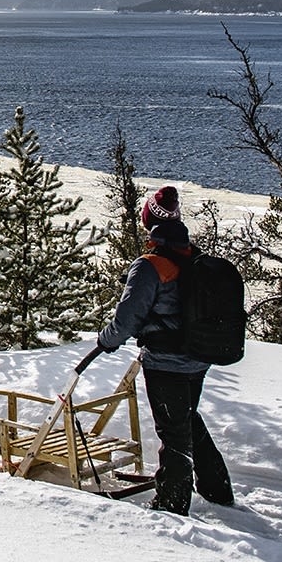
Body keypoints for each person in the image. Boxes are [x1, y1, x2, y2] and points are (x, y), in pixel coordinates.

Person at [96, 186, 232, 515]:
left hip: (166, 362)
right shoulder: (191, 256)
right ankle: (216, 487)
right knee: (185, 418)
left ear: (149, 223)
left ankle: (172, 502)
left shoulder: (150, 266)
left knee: (173, 431)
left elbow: (127, 318)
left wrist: (107, 340)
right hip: (198, 358)